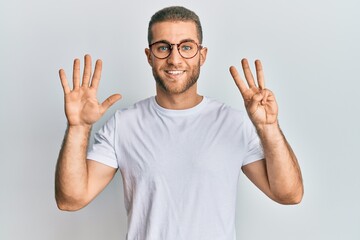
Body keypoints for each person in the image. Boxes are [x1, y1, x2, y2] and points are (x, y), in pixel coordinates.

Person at [55, 6, 303, 240]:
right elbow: (70, 200)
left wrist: (268, 128)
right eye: (163, 48)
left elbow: (289, 194)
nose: (175, 59)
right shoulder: (123, 125)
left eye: (186, 47)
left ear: (202, 55)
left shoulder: (233, 123)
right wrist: (78, 128)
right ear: (149, 56)